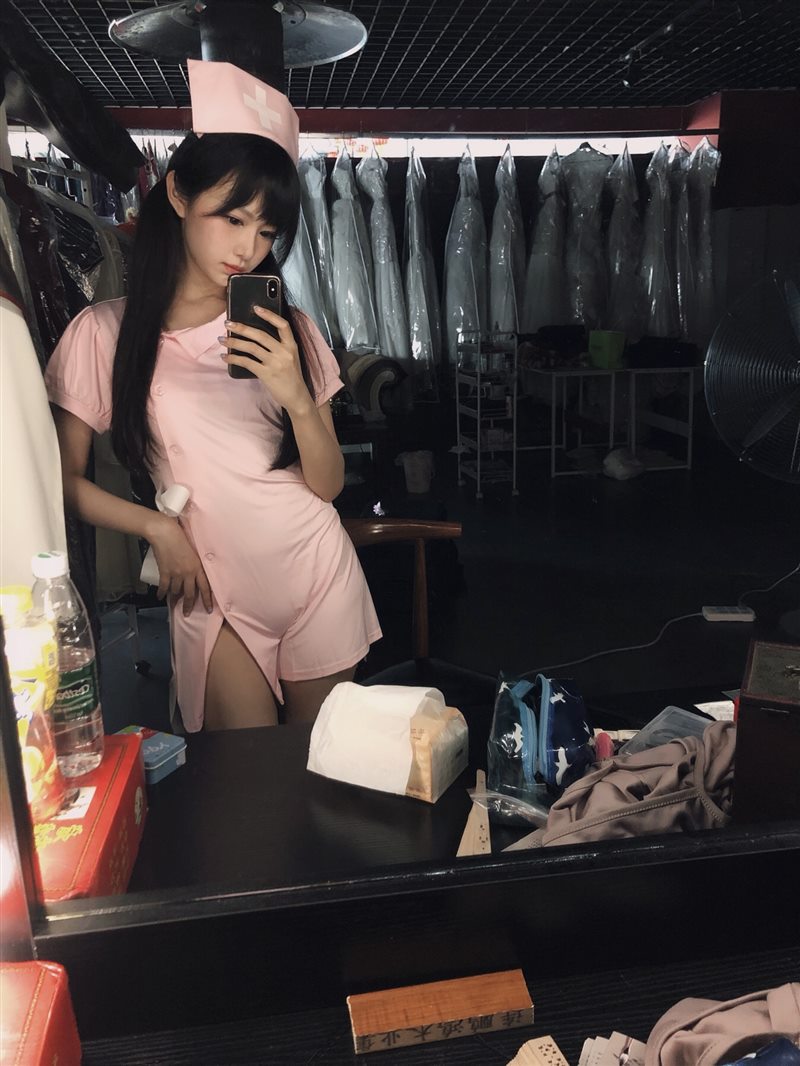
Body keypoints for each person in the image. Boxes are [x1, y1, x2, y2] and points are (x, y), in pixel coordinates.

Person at [44, 60, 381, 732]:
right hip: (211, 591)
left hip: (316, 573)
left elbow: (327, 484)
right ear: (177, 194)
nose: (249, 248)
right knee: (250, 784)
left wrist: (296, 395)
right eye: (233, 218)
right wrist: (157, 528)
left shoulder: (288, 328)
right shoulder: (104, 334)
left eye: (267, 231)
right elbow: (61, 482)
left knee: (322, 778)